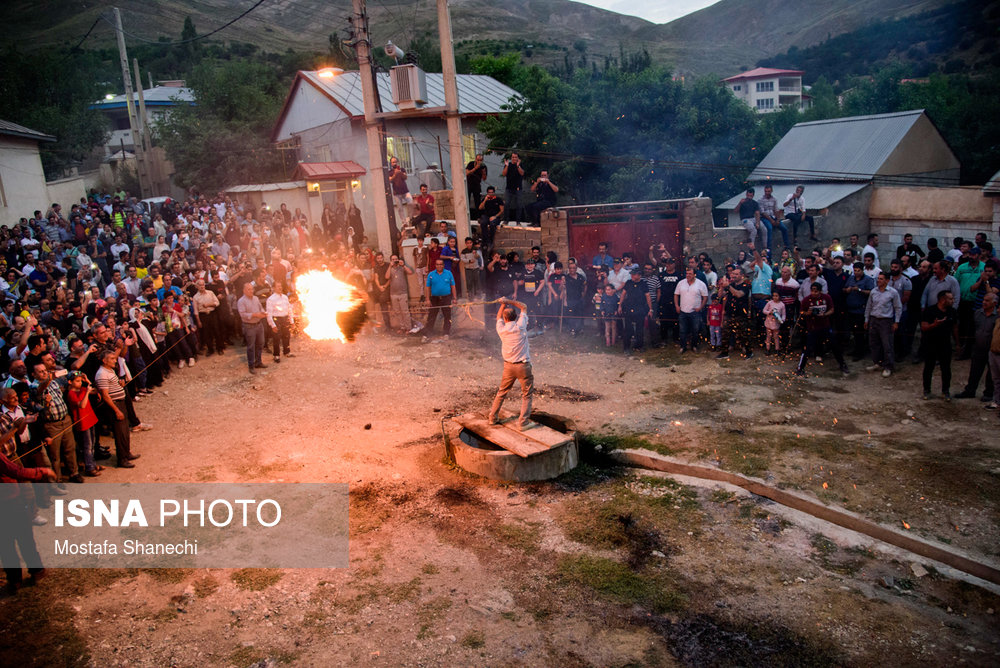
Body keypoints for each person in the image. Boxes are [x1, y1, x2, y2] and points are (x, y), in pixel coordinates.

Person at [487, 297, 533, 429]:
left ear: (505, 319)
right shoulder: (521, 326)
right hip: (523, 366)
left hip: (508, 366)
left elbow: (498, 318)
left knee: (501, 392)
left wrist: (503, 304)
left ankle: (492, 418)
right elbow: (524, 306)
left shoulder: (501, 329)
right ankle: (523, 423)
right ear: (516, 317)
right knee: (527, 394)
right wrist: (508, 301)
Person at [94, 349, 138, 467]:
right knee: (119, 433)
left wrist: (120, 385)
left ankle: (126, 453)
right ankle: (122, 459)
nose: (115, 361)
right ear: (104, 360)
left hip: (121, 402)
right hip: (115, 405)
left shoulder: (110, 370)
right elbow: (105, 395)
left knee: (124, 431)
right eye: (112, 359)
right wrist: (117, 410)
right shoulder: (102, 374)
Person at [797, 281, 849, 376]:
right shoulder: (806, 300)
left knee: (834, 346)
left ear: (820, 291)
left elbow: (832, 310)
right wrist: (807, 313)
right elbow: (801, 312)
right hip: (812, 327)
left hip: (825, 326)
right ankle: (800, 368)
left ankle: (842, 364)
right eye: (812, 291)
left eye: (816, 291)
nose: (814, 293)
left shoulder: (826, 298)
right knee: (807, 348)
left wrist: (824, 314)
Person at [955, 292, 998, 402]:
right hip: (978, 347)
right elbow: (972, 329)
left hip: (991, 349)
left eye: (987, 301)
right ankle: (970, 390)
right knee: (975, 370)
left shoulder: (998, 316)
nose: (984, 302)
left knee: (991, 373)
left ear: (994, 303)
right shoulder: (978, 313)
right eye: (984, 300)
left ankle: (988, 393)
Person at [921, 290, 959, 400]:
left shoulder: (952, 312)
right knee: (929, 367)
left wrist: (957, 344)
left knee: (946, 369)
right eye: (950, 299)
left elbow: (955, 328)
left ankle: (945, 391)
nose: (953, 301)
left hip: (945, 344)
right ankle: (926, 390)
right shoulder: (930, 311)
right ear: (943, 300)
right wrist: (934, 325)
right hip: (931, 343)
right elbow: (924, 327)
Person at [864, 273, 903, 377]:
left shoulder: (893, 292)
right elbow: (869, 306)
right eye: (878, 279)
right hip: (874, 319)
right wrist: (866, 319)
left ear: (887, 280)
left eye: (881, 279)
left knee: (887, 344)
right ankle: (877, 363)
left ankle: (888, 366)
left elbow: (898, 307)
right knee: (873, 343)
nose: (878, 281)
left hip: (886, 320)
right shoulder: (873, 291)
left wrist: (896, 322)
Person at [716, 267, 753, 360]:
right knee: (725, 334)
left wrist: (728, 286)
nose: (734, 276)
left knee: (743, 335)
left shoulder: (745, 286)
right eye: (733, 274)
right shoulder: (731, 284)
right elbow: (721, 295)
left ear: (742, 275)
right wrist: (721, 286)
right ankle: (724, 352)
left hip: (740, 314)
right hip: (729, 313)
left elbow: (738, 294)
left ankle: (749, 352)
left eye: (736, 274)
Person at [674, 266, 708, 353]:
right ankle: (683, 347)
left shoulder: (701, 284)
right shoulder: (681, 283)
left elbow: (705, 297)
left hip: (695, 312)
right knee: (682, 330)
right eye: (687, 273)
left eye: (690, 273)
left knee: (695, 330)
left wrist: (701, 307)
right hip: (683, 311)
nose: (688, 275)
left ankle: (694, 346)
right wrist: (677, 306)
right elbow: (676, 295)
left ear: (695, 274)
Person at [619, 269, 653, 355]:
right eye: (631, 275)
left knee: (640, 329)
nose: (632, 276)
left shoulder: (643, 284)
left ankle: (639, 346)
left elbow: (648, 296)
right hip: (628, 308)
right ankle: (626, 348)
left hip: (640, 309)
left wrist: (650, 309)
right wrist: (620, 305)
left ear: (639, 275)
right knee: (628, 329)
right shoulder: (628, 283)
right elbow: (623, 294)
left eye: (634, 275)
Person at [237, 282, 267, 373]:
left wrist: (263, 313)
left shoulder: (256, 298)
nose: (251, 291)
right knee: (251, 346)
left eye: (252, 289)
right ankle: (251, 365)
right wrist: (255, 315)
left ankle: (258, 362)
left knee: (260, 343)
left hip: (259, 324)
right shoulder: (241, 301)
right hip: (249, 326)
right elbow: (243, 315)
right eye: (249, 289)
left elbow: (260, 308)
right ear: (244, 291)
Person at [423, 259, 456, 341]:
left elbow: (453, 286)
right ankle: (427, 334)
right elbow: (427, 287)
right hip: (434, 298)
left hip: (446, 297)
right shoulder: (431, 274)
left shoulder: (448, 273)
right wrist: (427, 299)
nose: (439, 266)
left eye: (441, 264)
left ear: (443, 265)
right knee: (431, 316)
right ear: (435, 265)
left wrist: (454, 298)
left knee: (447, 316)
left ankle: (446, 333)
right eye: (437, 264)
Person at [266, 281, 295, 363]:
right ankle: (276, 355)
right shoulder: (271, 299)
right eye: (278, 286)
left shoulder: (285, 297)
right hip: (276, 319)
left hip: (285, 318)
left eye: (280, 286)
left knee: (286, 336)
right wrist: (272, 325)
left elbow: (289, 309)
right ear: (274, 288)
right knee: (276, 338)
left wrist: (291, 321)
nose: (280, 288)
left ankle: (287, 352)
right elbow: (269, 314)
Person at [387, 253, 413, 333]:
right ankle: (402, 327)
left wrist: (403, 265)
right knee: (397, 312)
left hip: (403, 293)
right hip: (393, 294)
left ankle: (408, 328)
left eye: (396, 259)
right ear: (391, 261)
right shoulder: (390, 269)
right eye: (393, 259)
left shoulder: (401, 268)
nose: (395, 261)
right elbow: (387, 277)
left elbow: (410, 272)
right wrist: (389, 266)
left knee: (405, 311)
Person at [387, 157, 412, 237]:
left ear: (398, 162)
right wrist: (395, 174)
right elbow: (390, 180)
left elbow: (405, 177)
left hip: (405, 191)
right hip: (397, 193)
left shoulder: (402, 169)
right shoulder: (390, 172)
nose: (394, 163)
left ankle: (411, 218)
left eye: (395, 162)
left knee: (411, 202)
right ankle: (404, 222)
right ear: (391, 164)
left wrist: (400, 172)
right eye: (393, 162)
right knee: (400, 208)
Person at [757, 184, 783, 253]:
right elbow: (762, 212)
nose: (767, 193)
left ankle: (786, 246)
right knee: (769, 228)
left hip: (773, 216)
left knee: (784, 228)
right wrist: (771, 220)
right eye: (766, 191)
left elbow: (776, 210)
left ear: (771, 191)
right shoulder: (761, 200)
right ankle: (768, 249)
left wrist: (777, 219)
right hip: (765, 218)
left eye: (768, 191)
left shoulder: (774, 199)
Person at [478, 186, 504, 254]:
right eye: (489, 193)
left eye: (492, 192)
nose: (491, 194)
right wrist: (485, 200)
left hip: (495, 216)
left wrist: (495, 216)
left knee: (492, 224)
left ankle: (490, 241)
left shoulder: (498, 199)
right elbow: (480, 208)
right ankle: (486, 241)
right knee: (483, 223)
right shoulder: (485, 199)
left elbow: (502, 210)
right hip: (487, 215)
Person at [501, 152, 525, 225]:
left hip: (518, 188)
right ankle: (506, 220)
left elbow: (522, 173)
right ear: (511, 158)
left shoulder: (520, 165)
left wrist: (518, 166)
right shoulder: (508, 165)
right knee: (507, 204)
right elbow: (504, 174)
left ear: (518, 158)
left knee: (519, 204)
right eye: (513, 157)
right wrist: (507, 166)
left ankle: (518, 221)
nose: (514, 158)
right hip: (509, 188)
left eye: (515, 157)